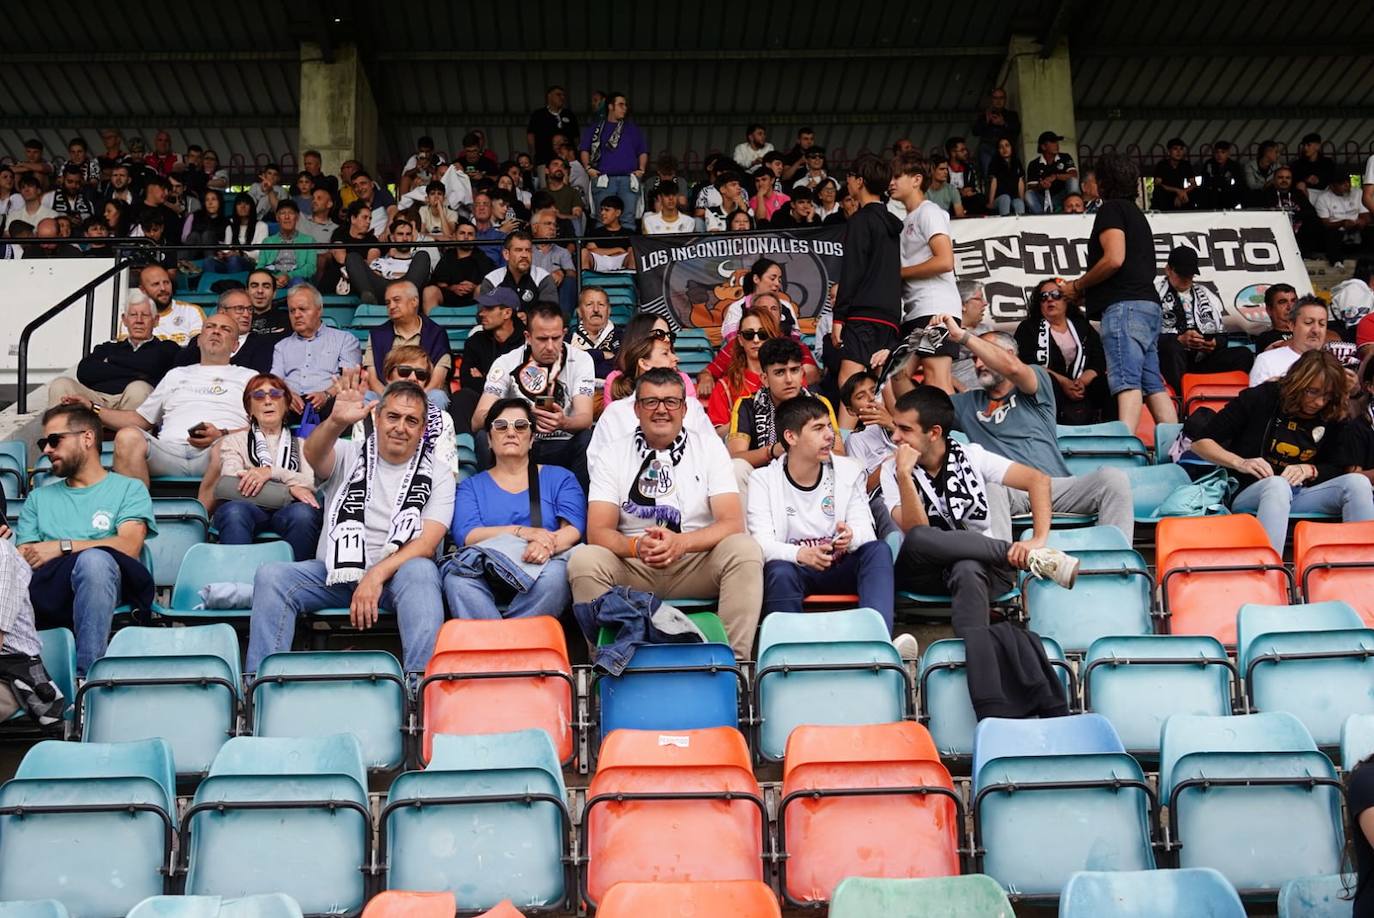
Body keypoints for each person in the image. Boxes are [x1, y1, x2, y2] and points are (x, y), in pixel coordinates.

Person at [881, 385, 1077, 720]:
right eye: (895, 428)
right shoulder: (892, 469)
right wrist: (903, 476)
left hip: (980, 571)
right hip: (926, 571)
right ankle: (1026, 559)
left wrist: (1039, 538)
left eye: (905, 429)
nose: (895, 437)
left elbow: (1037, 480)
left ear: (934, 433)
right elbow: (914, 529)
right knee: (919, 538)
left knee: (968, 565)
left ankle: (989, 703)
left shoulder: (972, 455)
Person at [245, 377, 453, 674]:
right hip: (337, 574)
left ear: (422, 430)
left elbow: (427, 543)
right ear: (377, 417)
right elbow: (313, 454)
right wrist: (335, 421)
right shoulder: (349, 452)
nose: (400, 427)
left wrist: (375, 576)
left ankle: (421, 688)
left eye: (411, 421)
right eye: (393, 416)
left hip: (398, 578)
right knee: (272, 576)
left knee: (422, 570)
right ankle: (260, 685)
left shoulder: (439, 473)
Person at [570, 368, 764, 659]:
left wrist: (682, 543)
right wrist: (636, 546)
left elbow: (731, 522)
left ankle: (732, 666)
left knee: (744, 549)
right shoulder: (613, 452)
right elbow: (599, 530)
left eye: (671, 402)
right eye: (651, 402)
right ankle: (605, 664)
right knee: (584, 559)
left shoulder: (708, 446)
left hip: (694, 561)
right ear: (636, 408)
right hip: (634, 563)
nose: (661, 410)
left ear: (685, 409)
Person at [919, 317, 1135, 540]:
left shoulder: (1035, 378)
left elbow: (1013, 369)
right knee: (989, 486)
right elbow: (923, 410)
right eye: (975, 359)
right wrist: (913, 350)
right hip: (1009, 491)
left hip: (1056, 486)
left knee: (1113, 479)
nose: (978, 364)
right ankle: (998, 570)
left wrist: (964, 337)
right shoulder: (968, 403)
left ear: (1010, 354)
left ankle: (1117, 561)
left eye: (984, 355)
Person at [14, 405, 156, 675]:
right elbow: (26, 557)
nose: (46, 450)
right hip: (49, 587)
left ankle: (86, 678)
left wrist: (61, 547)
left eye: (54, 440)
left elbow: (128, 546)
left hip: (107, 581)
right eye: (44, 443)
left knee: (95, 562)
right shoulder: (38, 498)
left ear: (87, 438)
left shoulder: (129, 488)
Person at [1192, 350, 1374, 552]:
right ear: (1297, 383)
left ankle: (1364, 569)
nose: (1319, 402)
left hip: (1303, 492)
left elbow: (1338, 466)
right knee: (1277, 485)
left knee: (1358, 483)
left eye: (1327, 395)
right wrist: (1241, 462)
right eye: (1312, 392)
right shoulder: (1263, 397)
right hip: (1252, 490)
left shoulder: (1332, 410)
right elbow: (1201, 442)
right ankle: (1268, 572)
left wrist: (1311, 470)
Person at [749, 394, 898, 633]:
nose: (830, 435)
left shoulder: (850, 470)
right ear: (791, 437)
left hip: (839, 564)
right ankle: (785, 653)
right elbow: (761, 544)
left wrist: (851, 537)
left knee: (878, 550)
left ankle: (879, 640)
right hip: (796, 568)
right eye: (818, 428)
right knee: (778, 570)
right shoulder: (763, 480)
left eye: (829, 426)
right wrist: (801, 554)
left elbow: (866, 533)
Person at [1061, 152, 1178, 432]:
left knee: (1126, 380)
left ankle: (1125, 446)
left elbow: (1114, 258)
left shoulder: (1110, 209)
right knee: (1152, 384)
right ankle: (1176, 445)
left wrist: (1077, 285)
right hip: (1147, 306)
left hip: (1124, 308)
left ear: (1102, 182)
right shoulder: (1136, 214)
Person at [75, 311, 257, 489]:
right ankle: (136, 515)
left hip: (217, 452)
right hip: (170, 453)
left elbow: (264, 428)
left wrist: (222, 434)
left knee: (227, 448)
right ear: (199, 340)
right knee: (127, 436)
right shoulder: (176, 375)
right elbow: (139, 420)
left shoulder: (250, 377)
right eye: (210, 327)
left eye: (225, 329)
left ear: (235, 345)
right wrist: (92, 408)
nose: (216, 331)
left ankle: (202, 516)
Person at [442, 398, 585, 621]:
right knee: (457, 579)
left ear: (532, 438)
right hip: (487, 572)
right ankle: (510, 646)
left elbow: (573, 528)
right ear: (488, 439)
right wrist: (521, 531)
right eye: (501, 426)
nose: (511, 432)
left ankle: (499, 646)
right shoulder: (470, 486)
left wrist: (546, 546)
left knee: (557, 575)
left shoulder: (560, 477)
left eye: (520, 426)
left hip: (542, 565)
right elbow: (467, 535)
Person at [473, 303, 596, 486]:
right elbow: (477, 420)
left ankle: (578, 509)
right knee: (484, 437)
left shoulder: (581, 360)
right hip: (519, 443)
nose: (549, 346)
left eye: (556, 338)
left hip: (563, 443)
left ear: (564, 333)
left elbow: (585, 417)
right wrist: (519, 417)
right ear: (528, 337)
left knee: (587, 438)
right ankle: (495, 498)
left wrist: (564, 422)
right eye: (542, 339)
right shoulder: (506, 363)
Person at [207, 374, 322, 562]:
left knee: (303, 514)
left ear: (285, 405)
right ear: (249, 408)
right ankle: (236, 583)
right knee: (234, 511)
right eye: (259, 396)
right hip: (247, 507)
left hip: (289, 511)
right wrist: (290, 487)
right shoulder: (234, 441)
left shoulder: (302, 444)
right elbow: (232, 481)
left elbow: (310, 482)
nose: (268, 401)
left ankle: (296, 584)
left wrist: (270, 473)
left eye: (275, 394)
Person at [728, 337, 842, 495]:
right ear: (765, 379)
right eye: (780, 372)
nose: (789, 380)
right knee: (737, 468)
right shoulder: (747, 406)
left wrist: (806, 450)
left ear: (802, 373)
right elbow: (735, 457)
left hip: (813, 481)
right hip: (765, 485)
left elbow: (840, 455)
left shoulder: (819, 403)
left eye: (794, 370)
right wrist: (773, 451)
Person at [892, 151, 961, 393]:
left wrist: (900, 273)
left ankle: (952, 431)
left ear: (916, 179)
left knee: (937, 377)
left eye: (897, 176)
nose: (891, 182)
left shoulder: (929, 212)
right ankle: (918, 428)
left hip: (936, 309)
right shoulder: (905, 220)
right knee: (897, 374)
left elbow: (945, 261)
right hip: (915, 311)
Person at [832, 156, 903, 387]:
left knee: (850, 382)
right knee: (879, 385)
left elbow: (852, 271)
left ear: (860, 181)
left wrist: (839, 317)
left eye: (850, 178)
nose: (848, 183)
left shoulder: (860, 221)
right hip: (890, 318)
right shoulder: (891, 223)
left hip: (863, 314)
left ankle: (843, 426)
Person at [48, 292, 178, 410]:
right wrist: (139, 373)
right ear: (124, 320)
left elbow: (152, 365)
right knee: (61, 384)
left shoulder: (166, 348)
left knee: (139, 388)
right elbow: (84, 371)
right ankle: (57, 435)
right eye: (133, 315)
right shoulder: (108, 347)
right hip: (97, 400)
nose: (139, 321)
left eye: (145, 315)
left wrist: (111, 361)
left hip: (133, 401)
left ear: (155, 321)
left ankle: (130, 436)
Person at [1155, 246, 1254, 391]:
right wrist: (1178, 340)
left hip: (1201, 360)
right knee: (1172, 348)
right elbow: (1144, 336)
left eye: (1190, 274)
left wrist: (1214, 343)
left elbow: (1222, 337)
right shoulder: (1153, 293)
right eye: (1181, 274)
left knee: (1243, 354)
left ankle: (1226, 398)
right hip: (1170, 360)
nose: (1186, 278)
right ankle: (1182, 400)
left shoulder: (1207, 295)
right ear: (1168, 270)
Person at [1013, 279, 1109, 425]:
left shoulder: (1081, 325)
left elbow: (1099, 359)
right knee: (1048, 383)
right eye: (1043, 297)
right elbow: (1026, 363)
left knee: (1110, 383)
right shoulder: (1028, 328)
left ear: (1067, 300)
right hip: (1047, 387)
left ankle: (1112, 431)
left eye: (1056, 294)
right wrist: (1064, 382)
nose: (1049, 299)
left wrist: (1081, 382)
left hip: (1083, 386)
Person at [270, 283, 363, 415]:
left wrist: (326, 395)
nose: (297, 315)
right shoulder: (281, 346)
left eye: (303, 309)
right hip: (290, 406)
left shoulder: (344, 339)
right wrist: (287, 395)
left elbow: (349, 377)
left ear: (319, 310)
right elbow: (274, 380)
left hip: (331, 402)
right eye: (292, 310)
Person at [362, 280, 450, 410]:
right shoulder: (377, 334)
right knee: (367, 397)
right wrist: (393, 401)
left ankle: (429, 431)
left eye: (396, 300)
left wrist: (411, 402)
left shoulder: (436, 333)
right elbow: (373, 379)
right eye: (387, 303)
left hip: (425, 395)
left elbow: (437, 381)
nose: (391, 306)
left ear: (414, 301)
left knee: (438, 396)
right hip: (388, 394)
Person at [452, 288, 525, 433]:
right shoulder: (475, 341)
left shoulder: (527, 340)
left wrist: (485, 378)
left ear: (507, 313)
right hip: (483, 404)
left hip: (521, 404)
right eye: (482, 308)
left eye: (489, 309)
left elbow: (525, 384)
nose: (481, 313)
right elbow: (468, 381)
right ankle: (463, 449)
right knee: (462, 397)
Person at [579, 92, 649, 230]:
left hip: (628, 179)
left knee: (628, 219)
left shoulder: (632, 128)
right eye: (621, 105)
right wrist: (588, 169)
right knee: (602, 219)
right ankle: (603, 251)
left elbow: (642, 151)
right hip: (603, 180)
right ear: (610, 106)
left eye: (625, 105)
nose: (625, 108)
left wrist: (641, 169)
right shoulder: (596, 128)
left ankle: (626, 250)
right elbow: (584, 149)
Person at [707, 306, 779, 432]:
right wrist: (749, 420)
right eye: (748, 335)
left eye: (763, 334)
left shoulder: (788, 377)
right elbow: (715, 436)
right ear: (740, 340)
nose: (756, 340)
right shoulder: (725, 386)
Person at [347, 218, 432, 305]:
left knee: (423, 254)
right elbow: (374, 277)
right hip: (382, 290)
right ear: (392, 237)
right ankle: (369, 300)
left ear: (413, 237)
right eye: (400, 234)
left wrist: (390, 274)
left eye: (408, 234)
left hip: (407, 290)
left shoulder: (419, 262)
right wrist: (400, 276)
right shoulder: (381, 261)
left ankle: (404, 301)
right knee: (352, 257)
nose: (405, 238)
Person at [1250, 296, 1330, 386]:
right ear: (1291, 325)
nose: (1316, 330)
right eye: (1308, 322)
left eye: (1322, 324)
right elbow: (1255, 399)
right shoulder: (1266, 361)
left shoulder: (1336, 361)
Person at [424, 220, 496, 311]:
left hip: (474, 298)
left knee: (482, 288)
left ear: (475, 238)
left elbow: (491, 283)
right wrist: (452, 288)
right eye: (462, 233)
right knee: (429, 291)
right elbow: (438, 281)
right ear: (455, 236)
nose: (466, 237)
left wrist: (474, 287)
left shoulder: (483, 259)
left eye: (470, 234)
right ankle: (430, 325)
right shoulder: (448, 256)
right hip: (449, 297)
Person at [478, 231, 559, 311]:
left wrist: (528, 318)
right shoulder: (492, 280)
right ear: (506, 254)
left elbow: (550, 315)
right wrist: (513, 318)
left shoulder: (543, 278)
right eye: (518, 250)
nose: (524, 255)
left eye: (528, 250)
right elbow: (483, 315)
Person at [255, 200, 318, 288]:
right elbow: (260, 266)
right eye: (282, 213)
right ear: (277, 217)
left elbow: (311, 268)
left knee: (298, 282)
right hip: (272, 278)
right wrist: (272, 278)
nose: (287, 217)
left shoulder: (309, 240)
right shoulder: (267, 241)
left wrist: (289, 275)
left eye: (291, 213)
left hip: (296, 278)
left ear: (297, 217)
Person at [138, 264, 205, 346]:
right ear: (143, 290)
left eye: (166, 282)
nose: (163, 288)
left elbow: (199, 349)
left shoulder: (192, 312)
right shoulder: (134, 317)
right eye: (156, 284)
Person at [566, 286, 621, 387]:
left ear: (609, 311)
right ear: (579, 312)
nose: (596, 309)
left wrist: (581, 359)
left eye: (601, 304)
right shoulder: (568, 341)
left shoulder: (622, 338)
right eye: (589, 305)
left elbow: (620, 367)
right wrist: (602, 355)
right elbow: (568, 369)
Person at [1024, 131, 1079, 214]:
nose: (1056, 145)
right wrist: (1041, 185)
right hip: (1043, 199)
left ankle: (1073, 210)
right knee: (1028, 194)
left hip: (1062, 198)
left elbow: (1074, 175)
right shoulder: (1034, 164)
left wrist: (1056, 176)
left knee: (1073, 181)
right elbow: (1030, 186)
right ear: (1043, 146)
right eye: (1053, 142)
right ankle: (1041, 217)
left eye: (1057, 142)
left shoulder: (1065, 157)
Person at [972, 87, 1021, 175]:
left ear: (1005, 99)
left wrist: (1003, 123)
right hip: (988, 148)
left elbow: (1017, 129)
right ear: (992, 100)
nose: (998, 101)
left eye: (1001, 98)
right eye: (995, 98)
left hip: (1006, 149)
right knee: (990, 175)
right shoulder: (984, 116)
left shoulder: (1011, 115)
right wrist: (986, 121)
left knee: (1007, 175)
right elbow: (975, 132)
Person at [580, 196, 634, 271]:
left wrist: (602, 251)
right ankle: (585, 281)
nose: (602, 213)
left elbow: (630, 252)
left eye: (607, 210)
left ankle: (633, 281)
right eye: (602, 209)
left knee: (634, 254)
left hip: (622, 262)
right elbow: (591, 251)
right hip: (599, 261)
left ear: (618, 213)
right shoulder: (595, 232)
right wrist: (618, 249)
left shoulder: (629, 233)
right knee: (583, 252)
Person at [218, 192, 266, 273]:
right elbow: (227, 248)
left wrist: (241, 254)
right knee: (209, 261)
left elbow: (260, 253)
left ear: (252, 207)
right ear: (235, 207)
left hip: (251, 263)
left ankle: (234, 283)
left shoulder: (261, 226)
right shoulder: (230, 227)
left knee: (234, 259)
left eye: (246, 204)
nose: (243, 206)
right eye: (239, 204)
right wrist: (223, 254)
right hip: (230, 261)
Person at [1151, 138, 1196, 211]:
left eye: (1181, 149)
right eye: (1175, 149)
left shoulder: (1186, 165)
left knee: (1196, 192)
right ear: (1169, 152)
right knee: (1159, 191)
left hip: (1181, 195)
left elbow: (1193, 184)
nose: (1178, 152)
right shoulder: (1162, 165)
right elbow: (1158, 184)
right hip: (1166, 195)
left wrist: (1183, 192)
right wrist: (1176, 190)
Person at [985, 137, 1026, 215]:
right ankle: (1006, 224)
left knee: (1019, 202)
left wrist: (1022, 200)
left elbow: (1020, 182)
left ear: (1011, 147)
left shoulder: (1017, 162)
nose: (1004, 149)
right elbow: (993, 182)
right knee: (1005, 198)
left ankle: (1020, 226)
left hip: (1013, 197)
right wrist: (991, 202)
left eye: (1007, 145)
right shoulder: (994, 163)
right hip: (999, 198)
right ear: (998, 150)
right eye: (1001, 147)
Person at [1253, 283, 1299, 353]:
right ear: (1269, 310)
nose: (1290, 307)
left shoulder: (1307, 331)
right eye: (1283, 302)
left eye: (1293, 301)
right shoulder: (1265, 338)